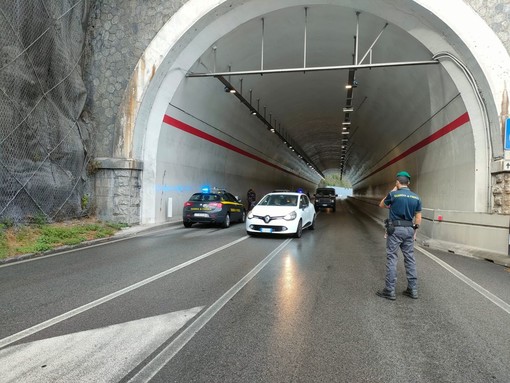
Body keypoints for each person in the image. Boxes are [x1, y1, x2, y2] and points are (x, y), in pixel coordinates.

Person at [376, 171, 422, 301]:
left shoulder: (394, 194)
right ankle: (412, 289)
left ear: (397, 182)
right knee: (410, 258)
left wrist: (393, 190)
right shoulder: (416, 197)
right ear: (409, 183)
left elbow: (382, 204)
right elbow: (418, 217)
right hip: (409, 229)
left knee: (392, 258)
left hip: (395, 229)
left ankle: (389, 290)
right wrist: (415, 231)